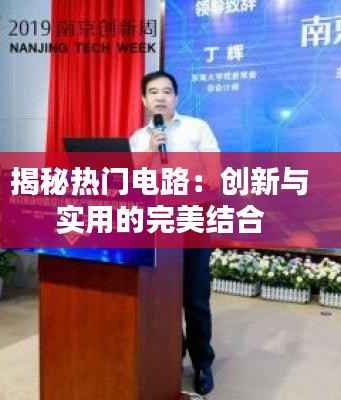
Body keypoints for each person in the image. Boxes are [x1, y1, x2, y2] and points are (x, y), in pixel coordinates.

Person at [129, 70, 219, 395]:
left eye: (167, 91)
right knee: (160, 296)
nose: (160, 97)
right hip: (156, 224)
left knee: (195, 297)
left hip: (193, 219)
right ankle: (171, 353)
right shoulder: (138, 138)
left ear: (176, 98)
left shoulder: (197, 128)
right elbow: (132, 181)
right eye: (153, 92)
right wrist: (149, 151)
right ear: (144, 100)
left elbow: (214, 176)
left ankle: (202, 363)